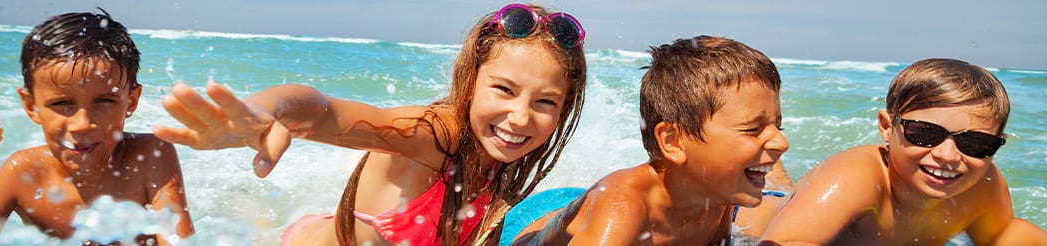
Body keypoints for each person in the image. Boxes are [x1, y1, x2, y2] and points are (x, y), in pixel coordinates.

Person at [152, 3, 587, 245]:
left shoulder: (499, 160)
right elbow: (324, 111)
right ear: (471, 82)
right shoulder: (430, 133)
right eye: (504, 90)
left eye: (545, 101)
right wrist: (269, 109)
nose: (521, 116)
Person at [0, 9, 194, 245]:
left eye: (105, 100)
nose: (82, 124)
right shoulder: (22, 174)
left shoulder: (149, 157)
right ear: (32, 106)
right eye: (62, 103)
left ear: (132, 100)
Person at [510, 35, 789, 245]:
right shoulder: (623, 210)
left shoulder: (716, 194)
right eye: (753, 129)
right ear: (673, 141)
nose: (781, 142)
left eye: (778, 127)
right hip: (531, 223)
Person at [760, 58, 1047, 245]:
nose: (948, 155)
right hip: (759, 217)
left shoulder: (982, 184)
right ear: (886, 127)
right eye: (925, 133)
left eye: (975, 144)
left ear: (996, 144)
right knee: (779, 194)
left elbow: (1004, 235)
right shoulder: (858, 177)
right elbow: (788, 241)